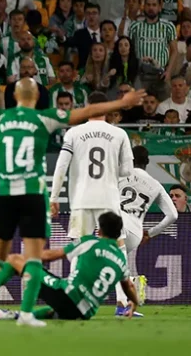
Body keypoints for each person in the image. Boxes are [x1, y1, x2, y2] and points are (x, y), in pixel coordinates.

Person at [0, 77, 146, 327]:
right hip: (33, 194)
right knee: (34, 258)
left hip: (5, 194)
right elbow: (87, 111)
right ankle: (26, 314)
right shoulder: (44, 118)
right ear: (37, 96)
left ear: (15, 96)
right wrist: (121, 102)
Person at [0, 212, 141, 321]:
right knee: (51, 311)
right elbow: (128, 287)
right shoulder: (121, 259)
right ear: (119, 233)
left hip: (67, 296)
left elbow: (51, 255)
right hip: (85, 313)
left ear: (100, 230)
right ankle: (11, 316)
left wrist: (26, 259)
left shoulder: (91, 242)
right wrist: (135, 303)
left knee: (13, 260)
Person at [49, 92, 134, 284]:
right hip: (108, 198)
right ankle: (122, 298)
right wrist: (111, 169)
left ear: (87, 107)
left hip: (82, 198)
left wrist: (54, 197)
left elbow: (61, 166)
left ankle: (72, 293)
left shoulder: (73, 133)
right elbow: (128, 170)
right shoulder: (120, 134)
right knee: (117, 246)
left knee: (79, 247)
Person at [116, 145, 178, 316]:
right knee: (113, 262)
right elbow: (173, 215)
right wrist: (150, 233)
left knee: (110, 260)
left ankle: (123, 301)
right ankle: (128, 291)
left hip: (116, 223)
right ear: (147, 162)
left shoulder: (119, 175)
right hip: (136, 231)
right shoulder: (155, 185)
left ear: (130, 159)